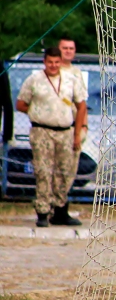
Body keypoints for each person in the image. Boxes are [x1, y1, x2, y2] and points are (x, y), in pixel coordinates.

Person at [15, 47, 86, 227]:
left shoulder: (71, 80)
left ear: (60, 62)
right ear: (44, 62)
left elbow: (81, 106)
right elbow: (21, 104)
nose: (53, 65)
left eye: (56, 62)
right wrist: (37, 112)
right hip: (42, 131)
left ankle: (60, 209)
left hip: (65, 131)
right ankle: (42, 210)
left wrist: (77, 134)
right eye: (50, 62)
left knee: (65, 171)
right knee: (43, 171)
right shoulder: (34, 80)